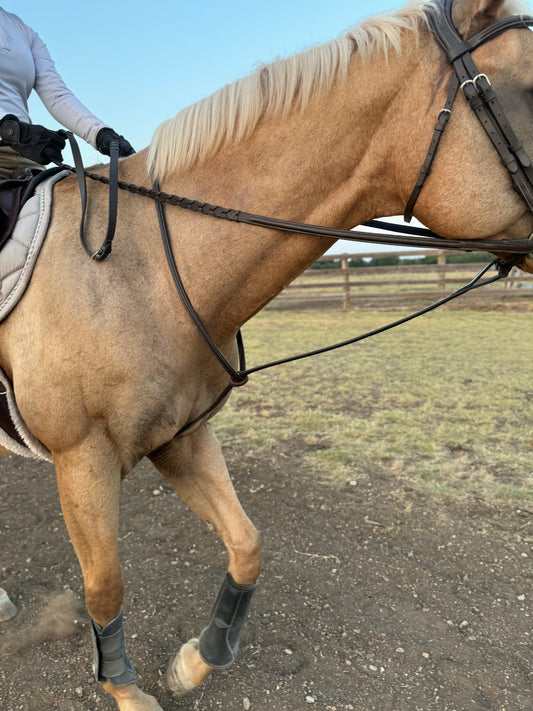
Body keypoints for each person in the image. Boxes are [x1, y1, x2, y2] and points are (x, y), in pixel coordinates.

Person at [0, 6, 134, 180]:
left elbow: (57, 96)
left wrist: (100, 134)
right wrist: (10, 130)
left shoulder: (23, 30)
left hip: (24, 154)